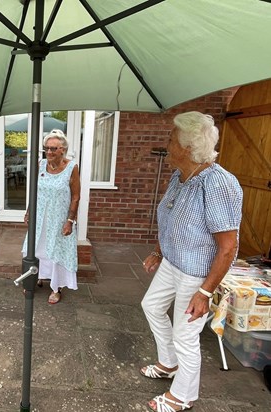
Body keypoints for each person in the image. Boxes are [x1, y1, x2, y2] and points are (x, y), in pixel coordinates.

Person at [140, 112, 243, 411]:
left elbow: (228, 247)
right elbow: (169, 218)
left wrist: (206, 292)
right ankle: (168, 363)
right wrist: (158, 251)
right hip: (172, 262)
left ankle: (183, 396)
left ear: (187, 146)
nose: (167, 143)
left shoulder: (218, 184)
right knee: (151, 306)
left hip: (196, 273)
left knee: (185, 335)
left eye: (171, 139)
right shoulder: (180, 175)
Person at [23, 129, 80, 304]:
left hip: (59, 219)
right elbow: (34, 190)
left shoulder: (71, 167)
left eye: (53, 149)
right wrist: (28, 211)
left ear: (63, 149)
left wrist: (70, 221)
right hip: (40, 217)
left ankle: (56, 287)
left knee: (56, 251)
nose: (49, 152)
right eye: (46, 148)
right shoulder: (41, 165)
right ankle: (36, 276)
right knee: (36, 248)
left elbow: (76, 196)